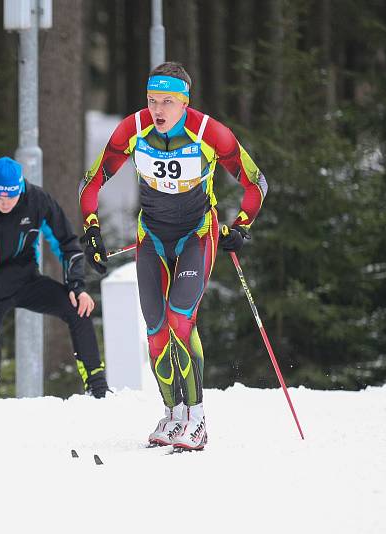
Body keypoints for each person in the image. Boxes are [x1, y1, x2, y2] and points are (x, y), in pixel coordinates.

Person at [79, 62, 268, 450]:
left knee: (180, 318)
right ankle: (173, 415)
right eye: (152, 100)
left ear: (185, 102)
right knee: (155, 330)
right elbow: (92, 180)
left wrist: (243, 225)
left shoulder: (209, 133)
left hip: (197, 233)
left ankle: (197, 419)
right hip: (152, 235)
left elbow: (256, 182)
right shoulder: (132, 130)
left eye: (168, 101)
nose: (158, 110)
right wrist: (92, 230)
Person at [0, 156, 109, 402]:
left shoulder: (37, 201)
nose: (6, 203)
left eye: (12, 197)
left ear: (20, 188)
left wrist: (76, 285)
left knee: (79, 309)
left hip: (26, 281)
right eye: (0, 198)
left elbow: (67, 243)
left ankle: (98, 391)